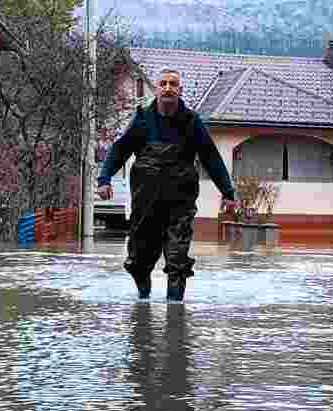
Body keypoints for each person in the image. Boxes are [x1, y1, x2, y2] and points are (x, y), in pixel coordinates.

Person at [97, 68, 237, 303]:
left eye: (173, 84)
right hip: (145, 203)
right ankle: (143, 297)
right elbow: (120, 149)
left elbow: (211, 158)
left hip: (180, 205)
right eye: (163, 84)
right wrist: (104, 178)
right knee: (138, 259)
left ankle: (175, 311)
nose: (168, 88)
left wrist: (228, 192)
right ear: (157, 89)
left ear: (180, 90)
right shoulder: (142, 119)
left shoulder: (192, 122)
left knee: (177, 259)